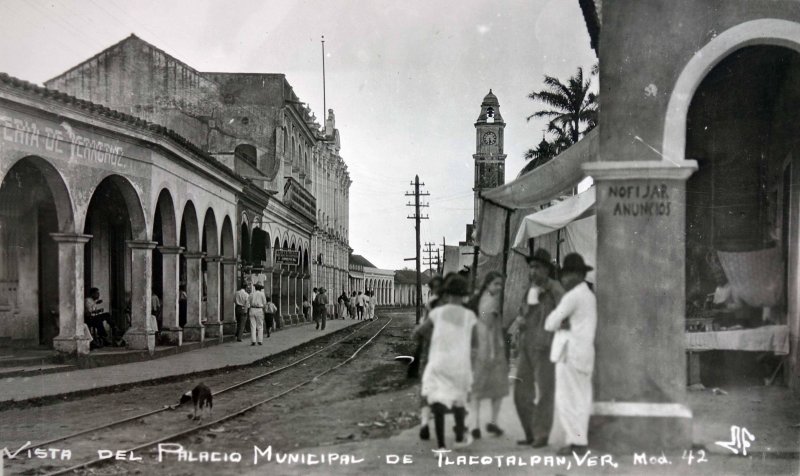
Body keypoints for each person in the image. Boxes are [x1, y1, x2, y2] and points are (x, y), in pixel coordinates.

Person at [415, 273, 478, 450]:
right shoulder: (470, 316)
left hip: (439, 362)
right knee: (459, 400)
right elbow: (475, 343)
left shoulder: (437, 313)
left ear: (447, 294)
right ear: (464, 295)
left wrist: (430, 335)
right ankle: (458, 439)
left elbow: (419, 331)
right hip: (460, 364)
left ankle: (441, 446)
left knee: (438, 402)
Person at [544, 253, 597, 456]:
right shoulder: (589, 295)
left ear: (575, 275)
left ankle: (575, 442)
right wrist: (566, 323)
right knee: (582, 398)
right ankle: (579, 440)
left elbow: (550, 322)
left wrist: (563, 323)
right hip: (584, 353)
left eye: (565, 275)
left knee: (566, 399)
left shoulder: (572, 296)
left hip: (570, 353)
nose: (563, 280)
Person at [514, 249, 564, 447]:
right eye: (531, 267)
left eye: (537, 267)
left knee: (545, 392)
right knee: (520, 392)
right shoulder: (529, 289)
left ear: (546, 269)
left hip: (545, 347)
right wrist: (520, 319)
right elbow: (521, 312)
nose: (533, 271)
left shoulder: (556, 289)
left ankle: (541, 434)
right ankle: (530, 433)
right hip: (526, 346)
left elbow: (564, 315)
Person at [469, 271, 509, 439]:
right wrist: (493, 351)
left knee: (485, 388)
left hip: (484, 346)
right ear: (488, 284)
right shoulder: (488, 301)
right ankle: (482, 424)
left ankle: (478, 425)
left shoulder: (481, 299)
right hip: (488, 347)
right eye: (496, 284)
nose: (499, 287)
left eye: (501, 284)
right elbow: (488, 326)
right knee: (490, 387)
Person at [413, 275, 444, 441]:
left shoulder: (437, 303)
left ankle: (428, 423)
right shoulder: (433, 303)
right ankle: (425, 423)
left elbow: (421, 328)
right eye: (435, 287)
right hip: (431, 350)